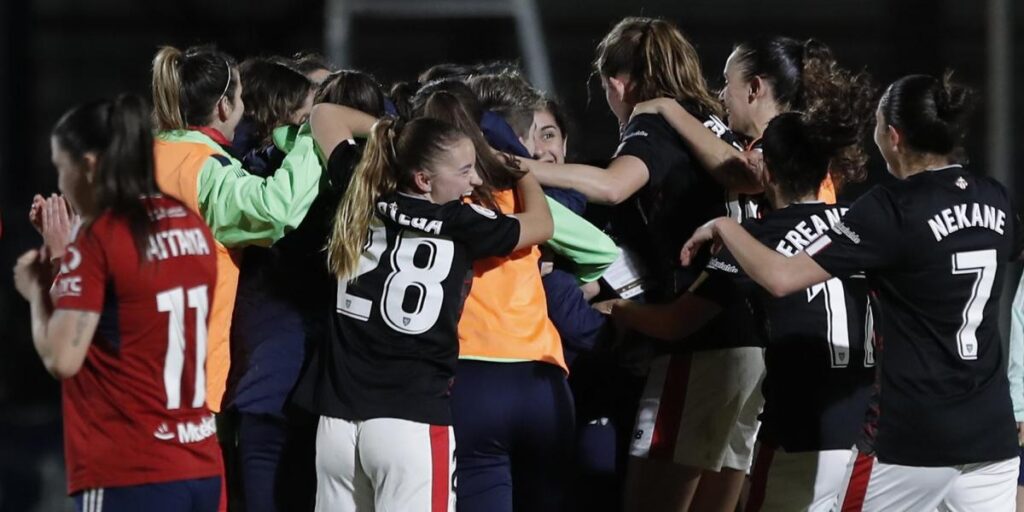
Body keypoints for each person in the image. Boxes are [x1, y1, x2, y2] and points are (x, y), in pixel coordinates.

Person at [680, 73, 1022, 511]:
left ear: (893, 136)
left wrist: (724, 225)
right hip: (991, 438)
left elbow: (781, 277)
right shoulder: (993, 197)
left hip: (912, 442)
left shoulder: (890, 208)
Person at [522, 17, 762, 511]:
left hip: (699, 342)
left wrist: (523, 167)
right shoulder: (710, 121)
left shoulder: (652, 124)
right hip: (749, 335)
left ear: (616, 83)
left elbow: (614, 185)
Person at [597, 100, 876, 511]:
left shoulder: (755, 238)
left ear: (767, 172)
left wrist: (619, 309)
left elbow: (677, 323)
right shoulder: (864, 222)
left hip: (798, 434)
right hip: (866, 434)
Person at [292, 101, 553, 511]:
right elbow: (542, 224)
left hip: (337, 425)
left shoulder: (362, 192)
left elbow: (324, 112)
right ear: (423, 178)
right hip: (409, 421)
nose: (472, 181)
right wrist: (523, 172)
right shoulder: (464, 224)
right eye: (464, 171)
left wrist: (393, 132)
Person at [13, 94, 223, 511]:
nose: (59, 183)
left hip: (130, 469)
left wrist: (38, 289)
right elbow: (132, 315)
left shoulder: (101, 239)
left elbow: (62, 356)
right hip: (200, 468)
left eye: (61, 167)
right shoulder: (191, 224)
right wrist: (67, 258)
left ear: (89, 166)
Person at [631, 36, 874, 205]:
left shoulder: (792, 142)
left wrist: (669, 109)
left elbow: (750, 173)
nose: (721, 94)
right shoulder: (780, 139)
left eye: (727, 82)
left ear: (754, 88)